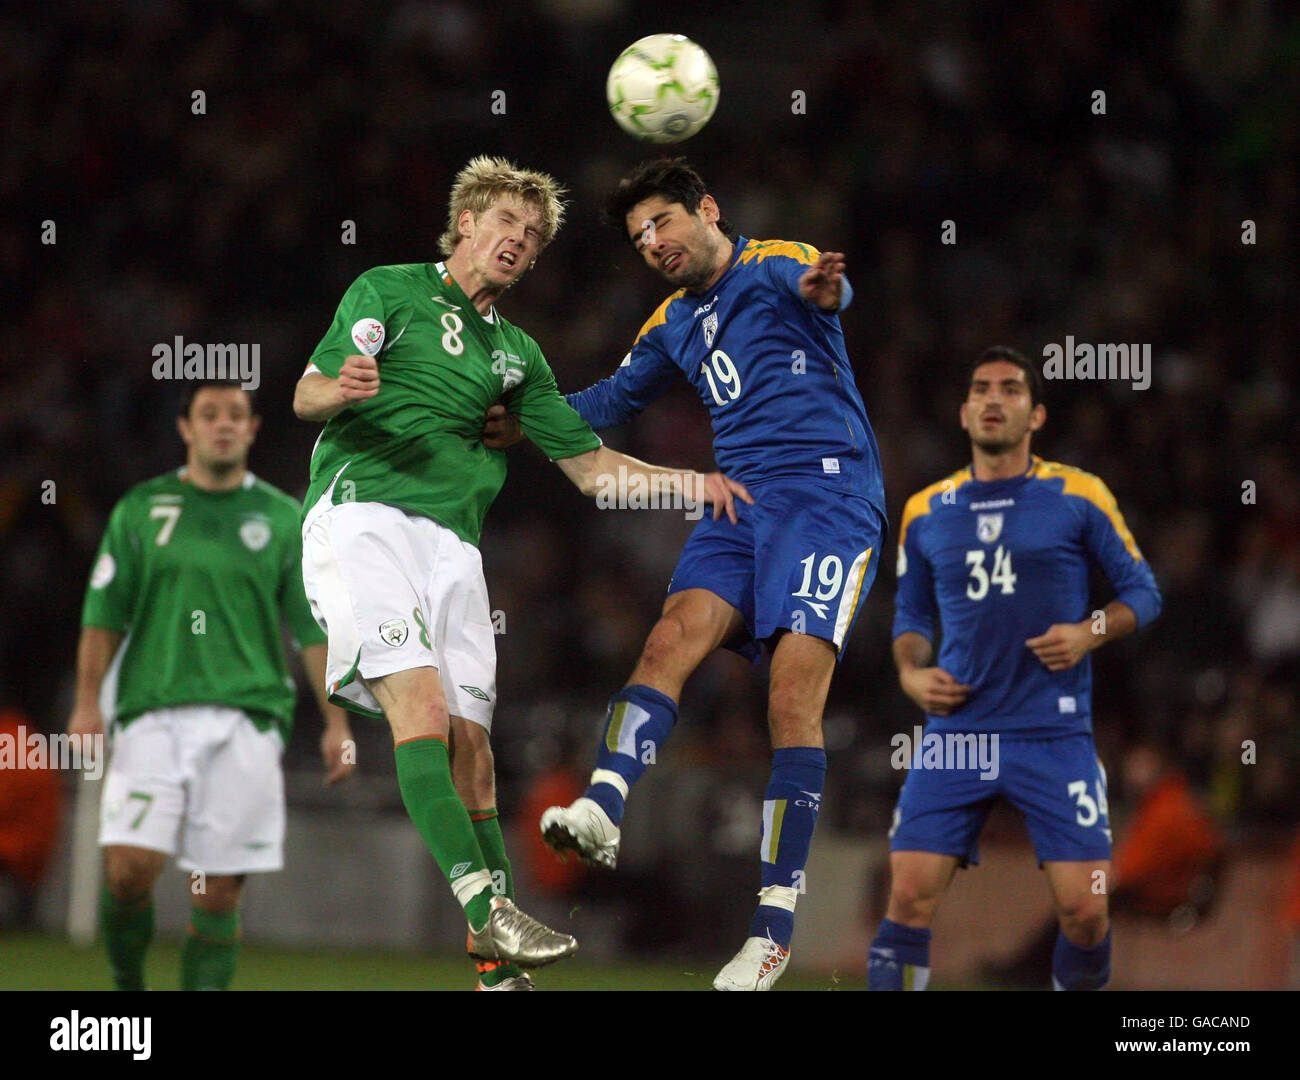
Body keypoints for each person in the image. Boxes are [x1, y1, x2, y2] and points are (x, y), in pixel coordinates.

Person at [293, 156, 750, 989]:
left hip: (454, 549)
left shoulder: (518, 358)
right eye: (507, 221)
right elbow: (308, 392)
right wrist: (341, 389)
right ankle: (486, 909)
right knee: (422, 712)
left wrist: (696, 484)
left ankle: (497, 976)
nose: (519, 241)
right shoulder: (388, 290)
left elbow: (593, 468)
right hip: (365, 518)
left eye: (533, 236)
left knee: (475, 753)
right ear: (465, 222)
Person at [486, 157, 888, 990]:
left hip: (828, 497)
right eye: (639, 237)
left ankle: (772, 929)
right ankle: (602, 805)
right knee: (670, 637)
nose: (654, 243)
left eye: (663, 222)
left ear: (707, 210)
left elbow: (824, 289)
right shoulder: (671, 323)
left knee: (789, 696)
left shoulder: (776, 263)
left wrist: (829, 292)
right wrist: (521, 415)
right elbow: (609, 401)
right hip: (739, 503)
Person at [869, 347, 1162, 991]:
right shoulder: (924, 510)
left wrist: (1088, 632)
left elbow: (1143, 592)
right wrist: (910, 674)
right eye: (980, 389)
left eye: (1010, 389)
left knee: (1085, 912)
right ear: (963, 412)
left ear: (1037, 414)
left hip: (1054, 735)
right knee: (910, 895)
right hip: (957, 734)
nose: (993, 399)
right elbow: (912, 616)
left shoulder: (1079, 494)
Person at [68, 381, 355, 991]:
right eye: (209, 414)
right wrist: (87, 704)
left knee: (218, 890)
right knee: (126, 871)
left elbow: (310, 629)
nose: (223, 424)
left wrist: (336, 724)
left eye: (236, 415)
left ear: (252, 430)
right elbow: (103, 614)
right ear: (186, 429)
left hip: (245, 722)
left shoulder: (282, 518)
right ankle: (127, 988)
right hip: (150, 711)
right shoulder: (142, 509)